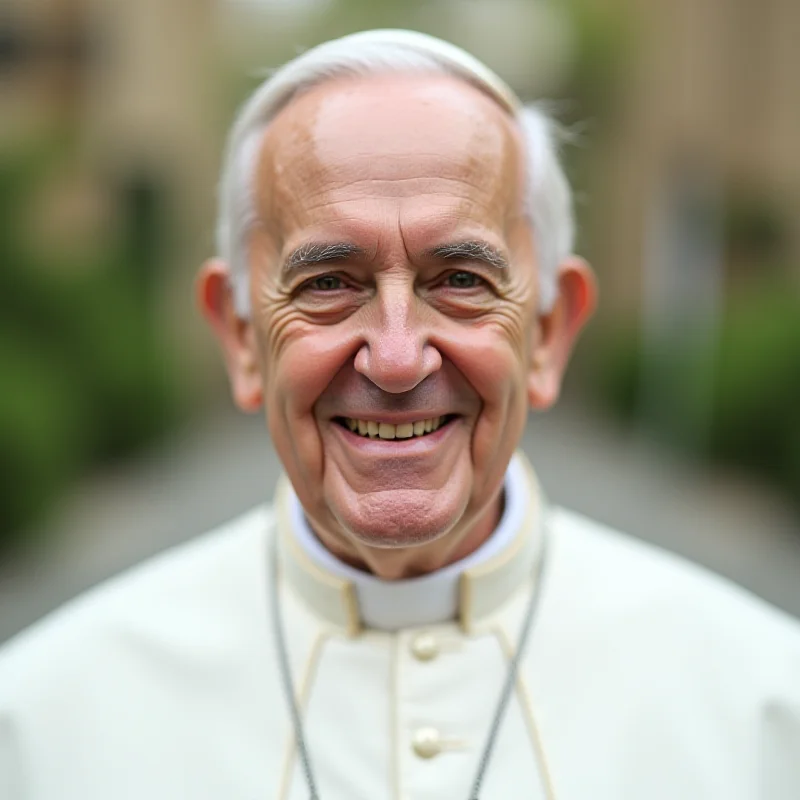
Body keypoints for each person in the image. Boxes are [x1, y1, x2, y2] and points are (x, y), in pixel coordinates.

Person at [1, 28, 799, 800]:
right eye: (328, 283)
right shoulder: (39, 722)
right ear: (242, 335)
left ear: (550, 332)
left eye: (460, 279)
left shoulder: (766, 708)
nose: (393, 358)